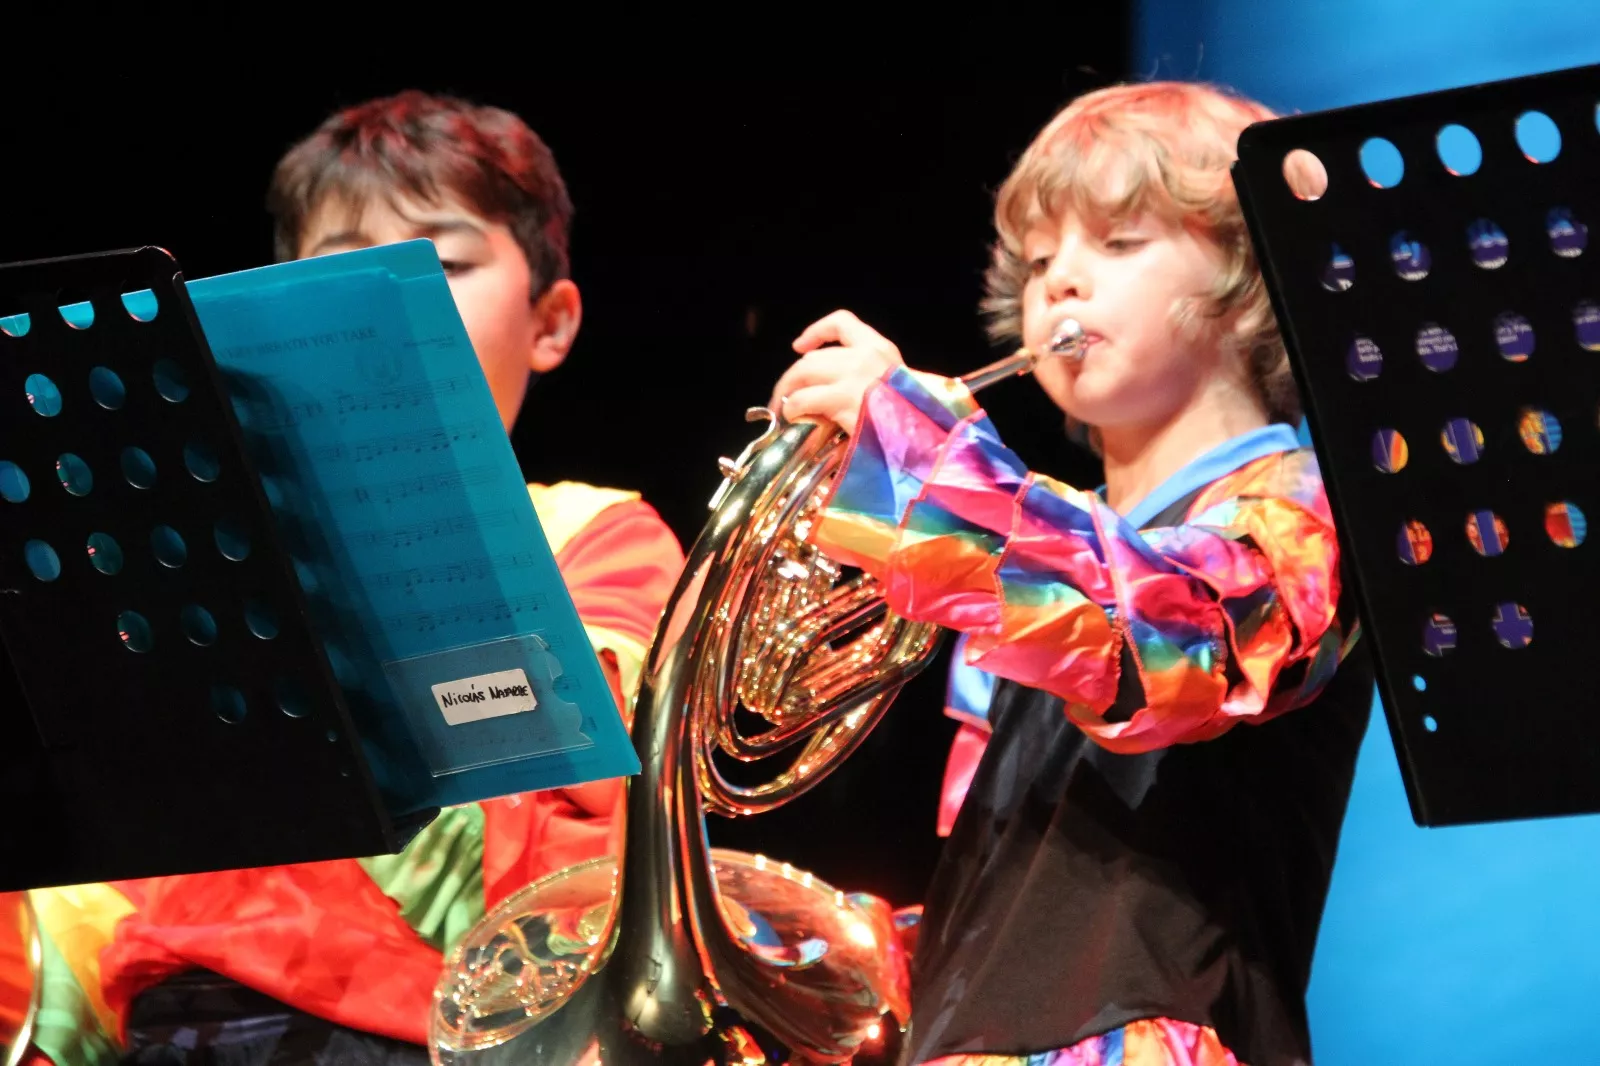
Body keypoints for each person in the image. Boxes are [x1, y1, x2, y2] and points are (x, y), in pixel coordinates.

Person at [19, 91, 684, 1066]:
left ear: (552, 320)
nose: (387, 302)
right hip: (175, 1018)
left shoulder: (598, 531)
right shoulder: (170, 546)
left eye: (444, 262)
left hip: (448, 1024)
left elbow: (568, 782)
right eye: (339, 274)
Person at [771, 81, 1372, 1066]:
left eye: (1119, 243)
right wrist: (771, 939)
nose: (1060, 283)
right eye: (1042, 260)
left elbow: (1165, 631)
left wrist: (923, 461)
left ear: (1252, 274)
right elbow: (999, 917)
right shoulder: (1044, 542)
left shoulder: (1303, 506)